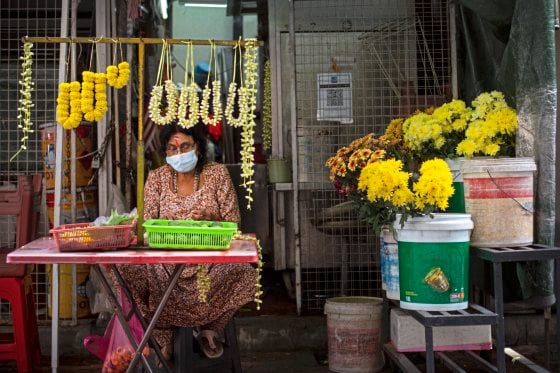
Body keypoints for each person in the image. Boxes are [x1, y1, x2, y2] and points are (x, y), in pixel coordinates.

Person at [117, 122, 256, 361]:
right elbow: (145, 227)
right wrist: (163, 223)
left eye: (184, 146)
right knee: (123, 270)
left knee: (245, 273)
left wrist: (213, 218)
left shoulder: (216, 174)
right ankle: (160, 333)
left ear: (198, 148)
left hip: (209, 266)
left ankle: (209, 327)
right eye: (172, 148)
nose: (178, 153)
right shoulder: (157, 178)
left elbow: (234, 225)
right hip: (165, 267)